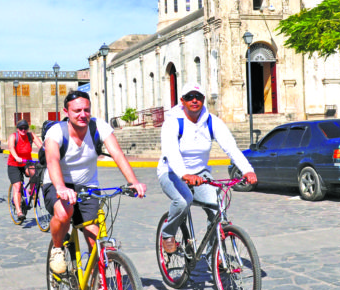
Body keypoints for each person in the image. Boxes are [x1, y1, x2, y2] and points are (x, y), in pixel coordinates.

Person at [44, 90, 147, 274]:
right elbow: (52, 159)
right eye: (77, 110)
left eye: (86, 109)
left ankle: (99, 287)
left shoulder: (99, 127)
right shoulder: (56, 131)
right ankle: (57, 249)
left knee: (95, 241)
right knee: (64, 211)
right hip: (56, 182)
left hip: (87, 186)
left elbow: (117, 154)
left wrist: (133, 182)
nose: (82, 114)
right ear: (66, 112)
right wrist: (60, 187)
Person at [157, 82, 257, 254]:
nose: (194, 100)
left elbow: (231, 148)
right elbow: (171, 152)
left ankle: (213, 254)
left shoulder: (212, 122)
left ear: (203, 100)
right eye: (189, 97)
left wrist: (247, 170)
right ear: (182, 100)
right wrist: (184, 174)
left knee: (217, 207)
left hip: (200, 173)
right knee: (183, 200)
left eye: (198, 97)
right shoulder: (173, 122)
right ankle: (167, 233)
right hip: (172, 171)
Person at [7, 119, 43, 222]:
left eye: (25, 128)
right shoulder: (13, 136)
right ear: (17, 129)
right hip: (14, 163)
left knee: (35, 172)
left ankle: (31, 190)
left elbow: (41, 146)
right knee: (17, 186)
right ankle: (19, 212)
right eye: (21, 128)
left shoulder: (30, 135)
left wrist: (47, 153)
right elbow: (11, 147)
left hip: (26, 162)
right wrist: (16, 156)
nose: (23, 130)